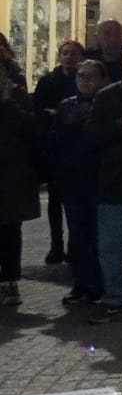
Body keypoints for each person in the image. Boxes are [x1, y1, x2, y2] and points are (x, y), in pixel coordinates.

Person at [47, 58, 107, 305]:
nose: (85, 81)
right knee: (79, 236)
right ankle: (82, 283)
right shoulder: (66, 106)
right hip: (73, 181)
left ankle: (101, 283)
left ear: (102, 80)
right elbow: (54, 141)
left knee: (99, 237)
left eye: (90, 76)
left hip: (100, 180)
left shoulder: (108, 104)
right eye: (81, 76)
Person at [32, 37, 85, 266]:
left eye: (74, 53)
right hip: (56, 148)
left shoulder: (85, 80)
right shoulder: (48, 81)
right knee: (55, 200)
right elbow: (39, 112)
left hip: (79, 148)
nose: (69, 57)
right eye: (65, 53)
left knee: (76, 201)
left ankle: (75, 247)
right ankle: (56, 245)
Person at [0, 51, 45, 310]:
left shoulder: (17, 95)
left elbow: (30, 127)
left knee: (8, 229)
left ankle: (9, 280)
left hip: (10, 173)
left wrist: (7, 103)